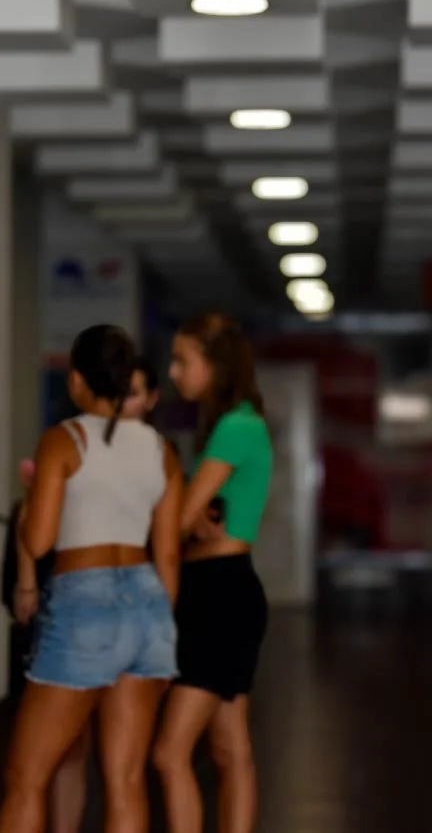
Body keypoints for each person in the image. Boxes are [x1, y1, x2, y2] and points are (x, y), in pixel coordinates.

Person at [0, 324, 182, 833]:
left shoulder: (64, 439)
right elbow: (167, 554)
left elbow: (37, 541)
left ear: (76, 381)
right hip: (150, 607)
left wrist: (33, 494)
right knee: (125, 779)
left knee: (27, 777)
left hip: (86, 602)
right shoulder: (159, 448)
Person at [153, 312, 272, 833]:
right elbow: (194, 517)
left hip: (220, 594)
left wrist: (176, 506)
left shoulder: (236, 425)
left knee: (169, 753)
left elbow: (178, 520)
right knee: (229, 750)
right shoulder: (233, 424)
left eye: (184, 361)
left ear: (216, 366)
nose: (175, 372)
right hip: (220, 591)